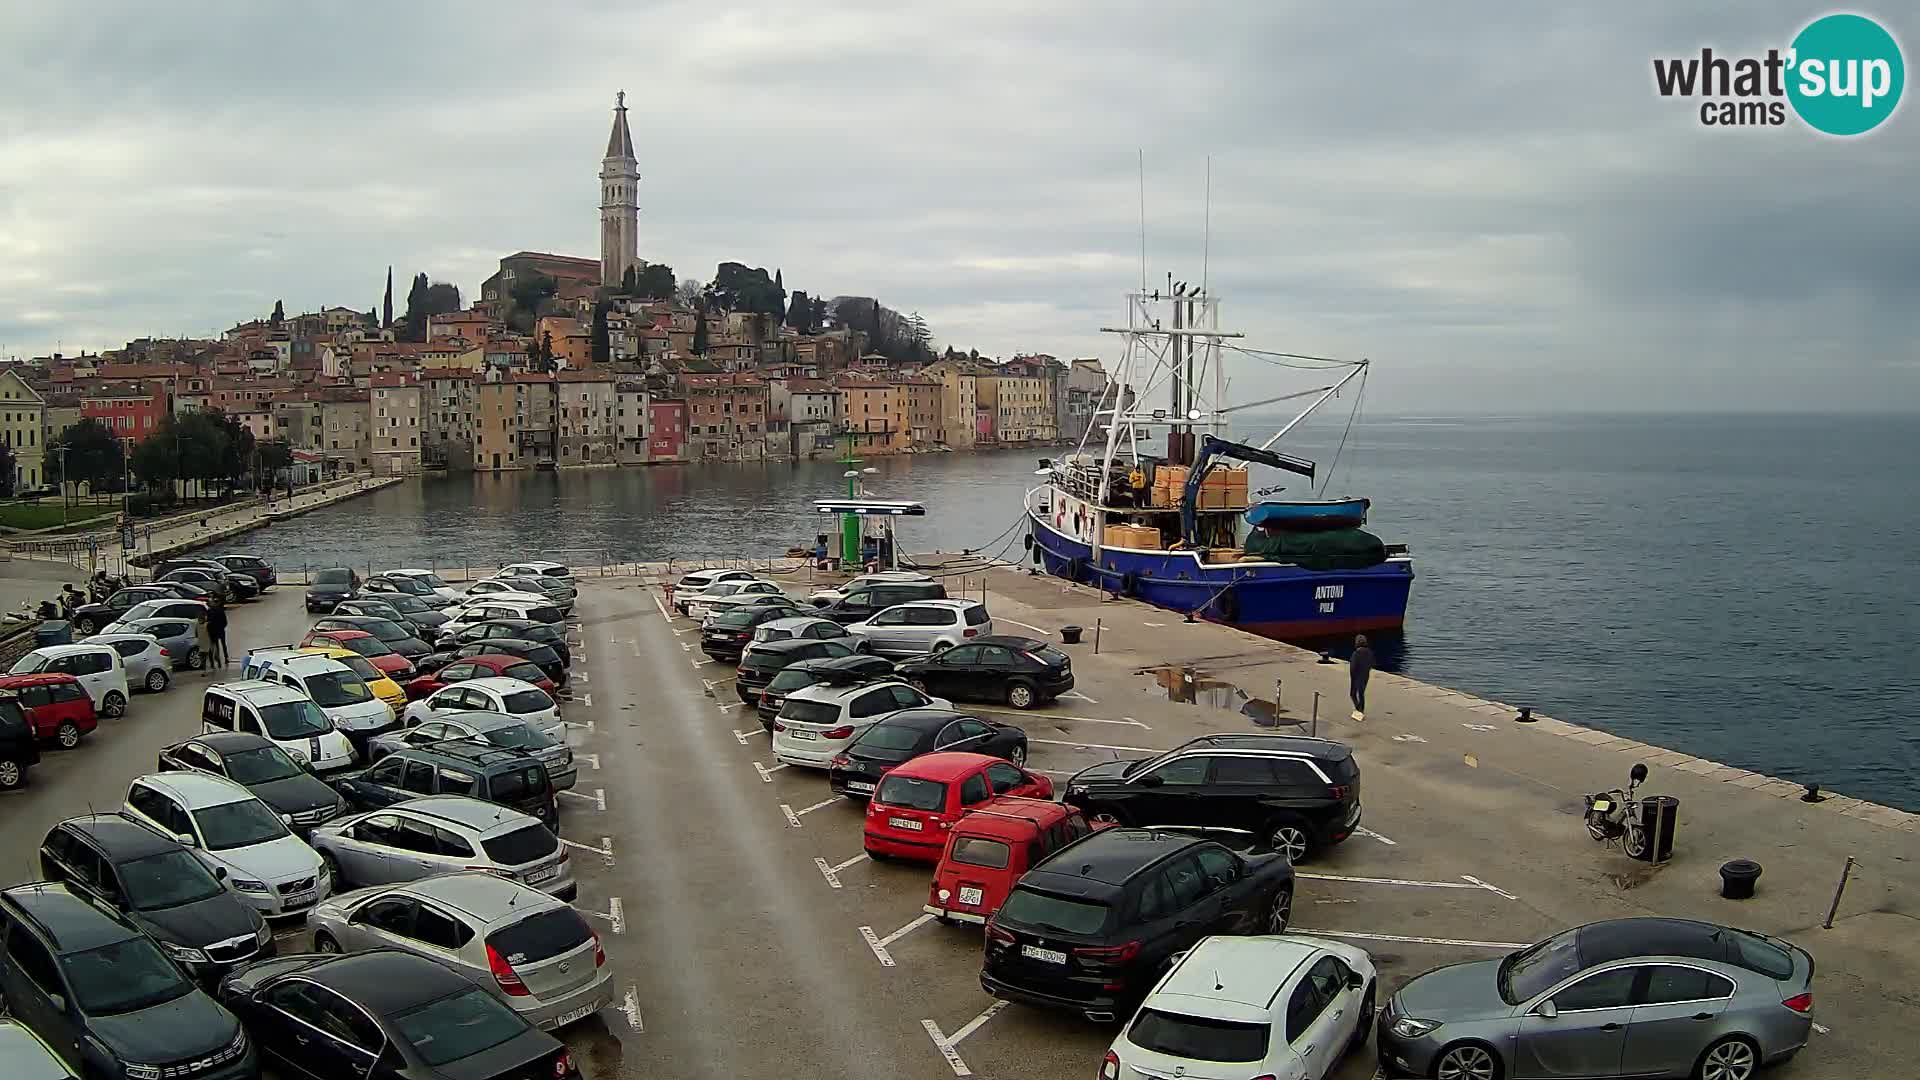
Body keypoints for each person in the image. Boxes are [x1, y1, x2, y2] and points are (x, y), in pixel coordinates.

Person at [1349, 634, 1375, 720]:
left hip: (1356, 676)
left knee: (1353, 694)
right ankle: (1361, 710)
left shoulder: (1356, 653)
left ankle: (1358, 709)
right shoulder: (1369, 652)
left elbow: (1353, 667)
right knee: (1361, 694)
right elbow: (1372, 663)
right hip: (1365, 675)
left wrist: (1352, 676)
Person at [207, 598, 230, 666]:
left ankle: (217, 659)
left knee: (216, 645)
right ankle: (226, 658)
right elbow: (225, 622)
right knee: (223, 644)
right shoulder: (221, 610)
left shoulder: (210, 611)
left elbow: (208, 621)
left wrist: (210, 629)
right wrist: (222, 627)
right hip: (221, 630)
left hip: (214, 631)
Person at [194, 607, 215, 671]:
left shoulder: (197, 625)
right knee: (209, 655)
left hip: (201, 643)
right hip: (207, 643)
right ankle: (212, 666)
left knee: (203, 657)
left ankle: (204, 670)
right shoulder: (207, 624)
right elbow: (211, 634)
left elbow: (196, 634)